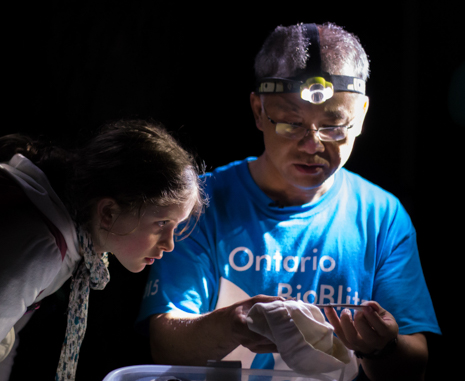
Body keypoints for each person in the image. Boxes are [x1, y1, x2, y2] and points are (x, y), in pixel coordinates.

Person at [137, 22, 441, 380]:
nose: (312, 145)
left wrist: (383, 347)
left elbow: (413, 365)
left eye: (334, 126)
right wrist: (232, 325)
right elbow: (164, 344)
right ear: (257, 111)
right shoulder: (201, 203)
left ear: (361, 116)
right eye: (291, 124)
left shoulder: (381, 217)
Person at [0, 119, 204, 381]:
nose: (169, 243)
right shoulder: (42, 247)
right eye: (161, 223)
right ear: (107, 212)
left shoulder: (64, 227)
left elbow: (2, 337)